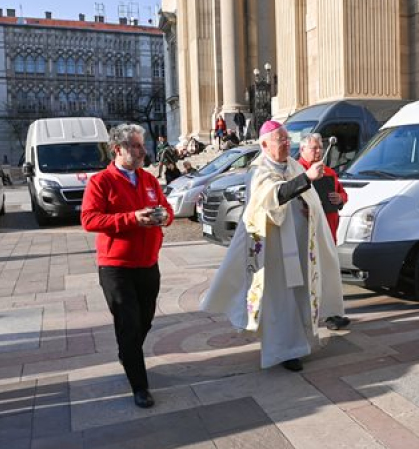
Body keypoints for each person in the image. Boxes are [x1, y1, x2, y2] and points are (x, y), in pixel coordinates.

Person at [200, 120, 347, 372]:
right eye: (281, 140)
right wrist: (306, 179)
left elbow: (310, 199)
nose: (287, 144)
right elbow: (272, 197)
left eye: (288, 140)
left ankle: (302, 343)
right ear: (265, 144)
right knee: (280, 300)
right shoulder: (258, 170)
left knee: (301, 293)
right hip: (274, 249)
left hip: (301, 245)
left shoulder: (290, 165)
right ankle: (283, 351)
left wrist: (309, 206)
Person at [81, 124, 174, 409]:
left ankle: (127, 352)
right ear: (118, 150)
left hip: (148, 263)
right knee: (129, 325)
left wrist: (162, 217)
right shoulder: (101, 181)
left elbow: (167, 210)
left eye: (141, 145)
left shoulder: (148, 179)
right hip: (116, 267)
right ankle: (140, 386)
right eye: (135, 146)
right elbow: (90, 220)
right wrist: (132, 218)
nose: (142, 151)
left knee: (144, 320)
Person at [298, 133, 348, 243]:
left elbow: (343, 193)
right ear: (302, 149)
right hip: (307, 228)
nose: (319, 151)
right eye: (314, 148)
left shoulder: (328, 171)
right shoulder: (297, 170)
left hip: (330, 227)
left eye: (320, 148)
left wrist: (340, 198)